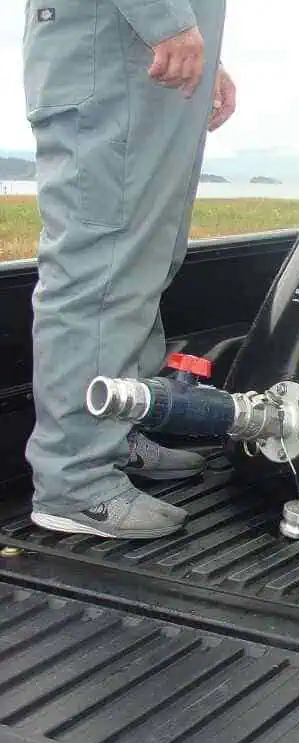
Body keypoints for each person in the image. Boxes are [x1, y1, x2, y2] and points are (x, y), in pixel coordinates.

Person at [22, 1, 235, 539]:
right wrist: (167, 19)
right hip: (113, 55)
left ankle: (115, 434)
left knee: (145, 261)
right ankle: (75, 481)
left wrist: (206, 53)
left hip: (140, 62)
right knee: (101, 266)